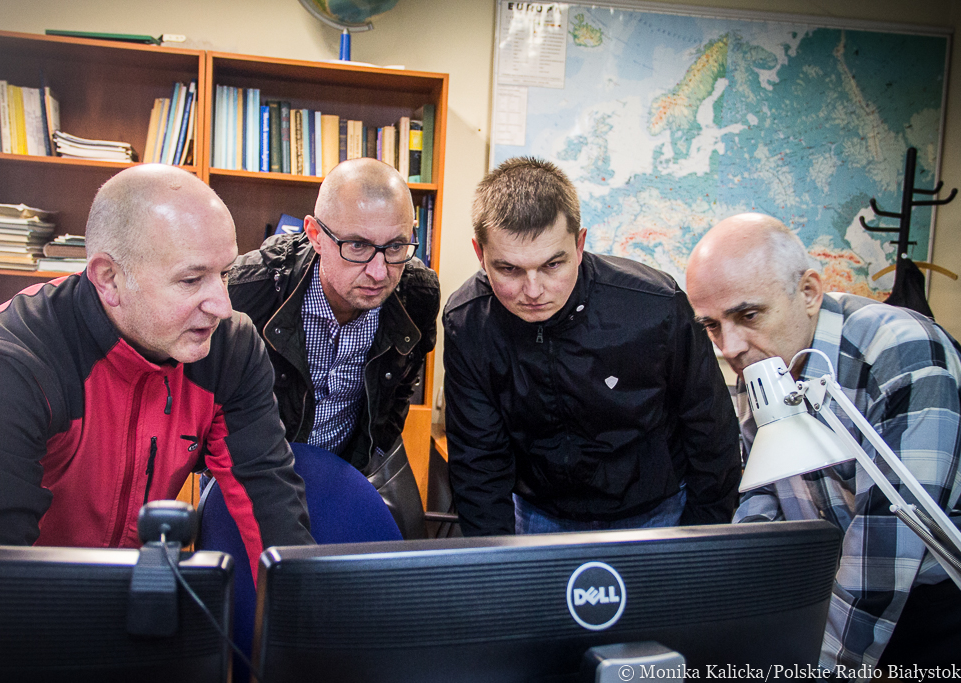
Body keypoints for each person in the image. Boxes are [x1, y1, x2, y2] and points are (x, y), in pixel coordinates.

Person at [0, 164, 313, 575]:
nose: (223, 306)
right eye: (191, 280)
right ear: (109, 279)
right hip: (31, 596)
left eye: (225, 274)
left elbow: (269, 503)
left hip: (135, 587)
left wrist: (304, 609)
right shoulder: (8, 365)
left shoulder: (230, 348)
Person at [685, 212, 961, 670]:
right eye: (711, 325)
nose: (729, 347)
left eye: (748, 315)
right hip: (836, 587)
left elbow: (885, 550)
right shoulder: (762, 364)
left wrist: (817, 672)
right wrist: (730, 598)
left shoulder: (901, 353)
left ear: (809, 292)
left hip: (932, 599)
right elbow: (764, 495)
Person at [442, 157, 741, 537]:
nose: (533, 291)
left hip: (657, 509)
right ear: (479, 253)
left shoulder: (655, 305)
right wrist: (494, 561)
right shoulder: (468, 321)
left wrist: (701, 538)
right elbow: (478, 459)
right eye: (509, 269)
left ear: (579, 244)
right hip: (539, 513)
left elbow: (710, 429)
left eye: (552, 265)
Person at [228, 158, 439, 536]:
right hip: (256, 469)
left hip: (352, 465)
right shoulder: (248, 290)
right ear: (315, 234)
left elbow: (404, 383)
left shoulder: (417, 292)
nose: (379, 272)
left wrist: (372, 450)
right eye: (357, 245)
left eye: (395, 246)